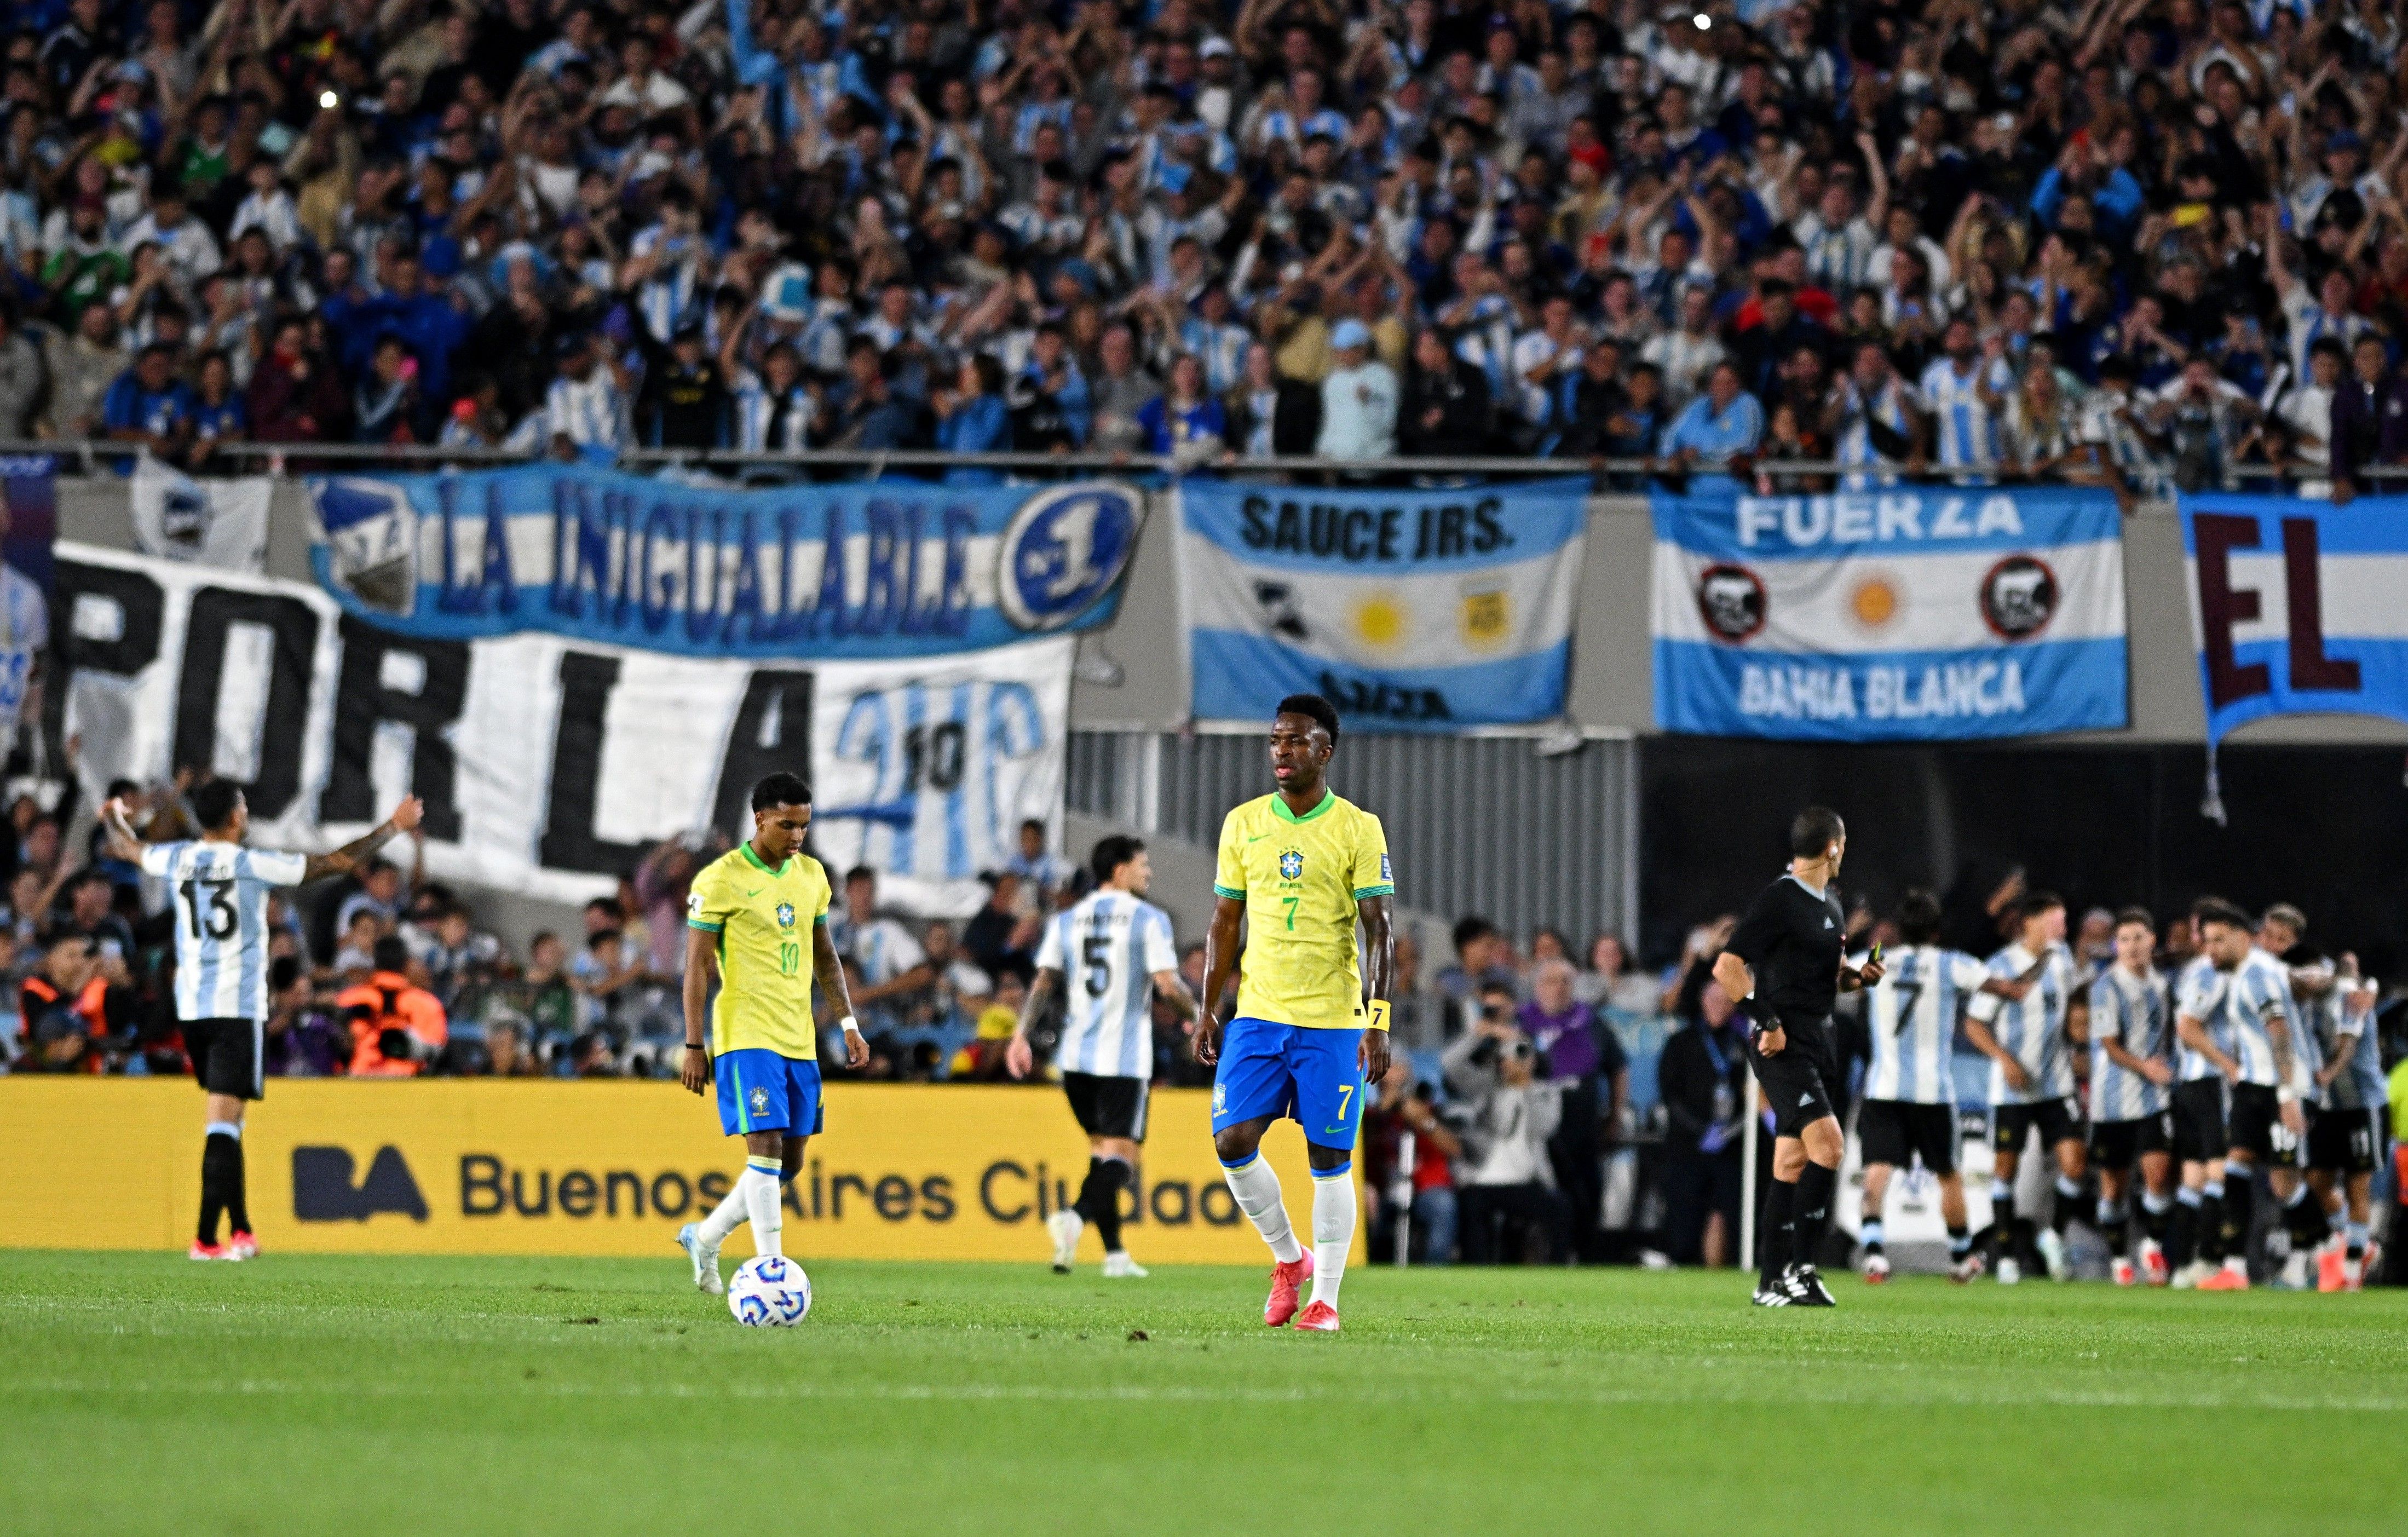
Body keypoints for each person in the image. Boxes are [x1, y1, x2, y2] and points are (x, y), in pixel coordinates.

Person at [99, 782, 424, 1259]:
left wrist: (112, 814)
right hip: (236, 1008)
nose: (247, 814)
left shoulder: (178, 858)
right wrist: (392, 827)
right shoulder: (249, 863)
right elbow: (332, 863)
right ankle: (209, 1238)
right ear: (234, 818)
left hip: (192, 1008)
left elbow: (128, 847)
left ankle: (240, 1231)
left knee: (229, 1123)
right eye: (245, 807)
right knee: (223, 1127)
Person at [1199, 693, 1395, 1332]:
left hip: (1333, 1018)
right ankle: (1291, 1258)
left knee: (1328, 1156)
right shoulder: (1243, 823)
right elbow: (1225, 920)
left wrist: (1379, 1016)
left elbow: (1380, 929)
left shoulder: (1358, 827)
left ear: (1325, 750)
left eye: (1296, 741)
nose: (1282, 751)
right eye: (1276, 740)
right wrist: (1208, 1005)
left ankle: (1327, 1302)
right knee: (1232, 1140)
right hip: (1258, 1013)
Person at [673, 774, 868, 1295]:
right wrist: (695, 1044)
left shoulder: (812, 876)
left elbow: (825, 955)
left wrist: (848, 1022)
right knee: (763, 1143)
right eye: (787, 824)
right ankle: (772, 1272)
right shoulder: (721, 879)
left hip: (798, 1035)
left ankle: (706, 1235)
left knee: (791, 1160)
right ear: (759, 818)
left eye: (804, 825)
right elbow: (695, 967)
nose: (797, 835)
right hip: (746, 1030)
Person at [1711, 805, 1884, 1307]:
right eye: (1844, 844)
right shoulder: (1779, 898)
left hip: (1820, 1039)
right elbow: (1728, 968)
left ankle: (1769, 1282)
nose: (1844, 853)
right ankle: (1803, 1269)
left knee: (1790, 1160)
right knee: (1829, 1147)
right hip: (1783, 1043)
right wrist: (1766, 1019)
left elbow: (1830, 976)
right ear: (1833, 846)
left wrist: (1858, 976)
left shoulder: (1830, 902)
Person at [1006, 835, 1195, 1277]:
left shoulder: (1069, 918)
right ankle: (1073, 1216)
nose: (1148, 872)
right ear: (1120, 870)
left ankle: (1115, 1254)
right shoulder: (1149, 918)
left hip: (1074, 1061)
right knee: (1124, 1159)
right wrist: (1200, 1014)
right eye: (1142, 864)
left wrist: (1020, 1035)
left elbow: (1043, 982)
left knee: (1101, 1152)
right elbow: (1168, 985)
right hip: (1122, 1060)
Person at [1855, 889, 2028, 1284]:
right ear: (1936, 931)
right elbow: (2005, 988)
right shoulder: (1951, 964)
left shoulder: (1880, 958)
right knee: (1948, 1175)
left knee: (1877, 1172)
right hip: (1933, 1092)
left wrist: (1864, 938)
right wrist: (2030, 972)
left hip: (1884, 1087)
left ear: (1899, 930)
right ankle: (1962, 1257)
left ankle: (1875, 1254)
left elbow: (1836, 977)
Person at [2176, 899, 2314, 1292]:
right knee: (2236, 1168)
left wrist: (2288, 1094)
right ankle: (2234, 1267)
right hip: (2253, 1086)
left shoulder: (2257, 974)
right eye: (2208, 940)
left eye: (2219, 940)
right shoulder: (2238, 973)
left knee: (2286, 1183)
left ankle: (2336, 1246)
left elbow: (2280, 1031)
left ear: (2243, 937)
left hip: (2280, 1086)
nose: (2212, 949)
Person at [1963, 891, 2086, 1284]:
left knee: (2075, 1163)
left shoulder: (2061, 958)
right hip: (2013, 1088)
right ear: (2030, 922)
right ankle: (2006, 1254)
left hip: (2057, 1083)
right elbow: (1974, 1024)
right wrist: (2005, 1058)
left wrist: (2078, 1045)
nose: (2063, 929)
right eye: (2056, 921)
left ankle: (2053, 1234)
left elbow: (2070, 1009)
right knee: (2005, 1171)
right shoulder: (2000, 966)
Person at [2087, 907, 2179, 1287]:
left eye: (2138, 937)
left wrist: (2167, 1067)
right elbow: (2109, 1045)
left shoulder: (2163, 984)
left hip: (2153, 1099)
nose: (2131, 946)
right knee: (2114, 1187)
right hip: (2111, 1101)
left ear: (2151, 940)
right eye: (2123, 939)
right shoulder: (2105, 987)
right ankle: (2119, 1258)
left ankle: (2152, 1245)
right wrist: (2148, 1068)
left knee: (2159, 1177)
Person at [1444, 1024, 1571, 1263]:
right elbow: (1451, 1064)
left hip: (1526, 1182)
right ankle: (1475, 1276)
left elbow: (1544, 1128)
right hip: (1483, 1180)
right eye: (1505, 1057)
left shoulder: (1546, 1093)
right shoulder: (1487, 1089)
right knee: (1472, 1205)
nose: (1510, 1062)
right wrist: (1482, 1033)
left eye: (1519, 1055)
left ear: (1532, 1061)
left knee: (1561, 1208)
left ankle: (1557, 1272)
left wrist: (1526, 1087)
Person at [1655, 980, 1748, 1267]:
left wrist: (1731, 1130)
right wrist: (1699, 1130)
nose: (1719, 1006)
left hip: (1731, 1147)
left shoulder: (1744, 1044)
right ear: (1702, 1001)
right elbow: (1670, 1095)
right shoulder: (1680, 1043)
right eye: (1713, 999)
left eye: (1725, 1000)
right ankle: (1683, 1265)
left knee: (1727, 1212)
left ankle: (1723, 1269)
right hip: (1687, 1147)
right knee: (1686, 1214)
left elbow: (1755, 1098)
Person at [337, 935, 451, 1076]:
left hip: (356, 1082)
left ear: (375, 962)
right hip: (409, 1086)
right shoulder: (428, 1005)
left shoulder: (348, 999)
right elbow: (436, 1053)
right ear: (405, 964)